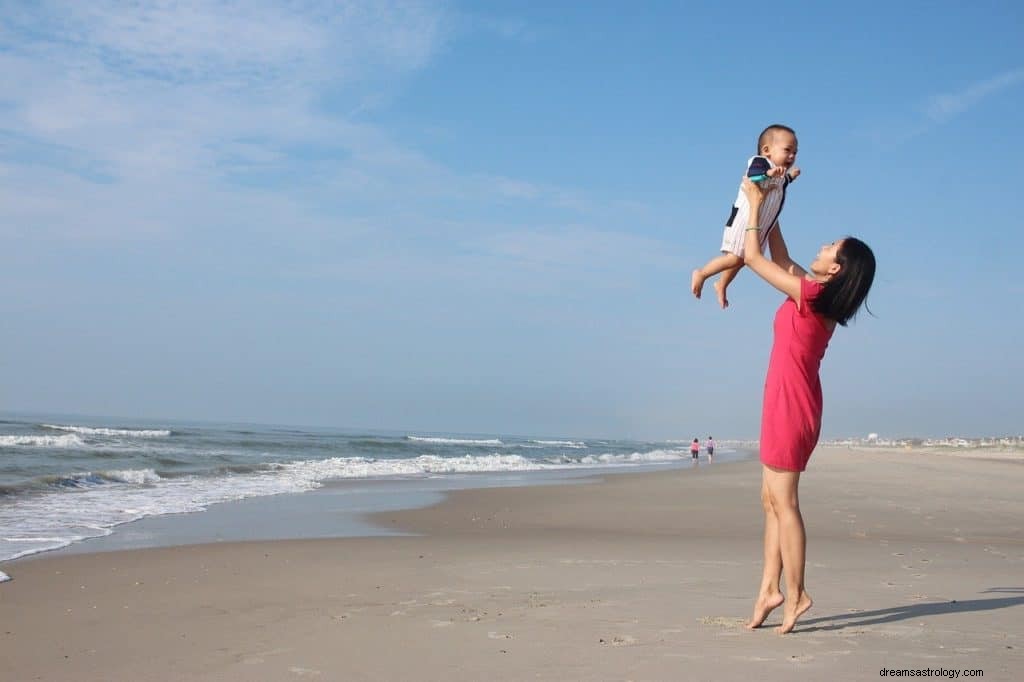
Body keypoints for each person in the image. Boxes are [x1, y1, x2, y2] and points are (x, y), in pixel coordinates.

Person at [738, 175, 876, 635]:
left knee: (785, 502)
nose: (821, 246)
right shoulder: (812, 292)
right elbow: (779, 255)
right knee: (770, 501)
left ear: (835, 268)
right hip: (785, 398)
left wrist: (754, 206)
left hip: (792, 405)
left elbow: (755, 256)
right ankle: (767, 590)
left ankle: (796, 593)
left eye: (830, 246)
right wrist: (776, 195)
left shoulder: (813, 295)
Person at [691, 124, 801, 309]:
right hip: (744, 220)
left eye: (795, 152)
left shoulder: (779, 173)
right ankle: (702, 273)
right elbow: (754, 176)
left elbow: (781, 184)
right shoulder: (760, 163)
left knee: (741, 260)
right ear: (766, 150)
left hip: (760, 225)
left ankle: (722, 284)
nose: (792, 156)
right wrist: (768, 173)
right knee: (734, 258)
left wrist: (790, 177)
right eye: (787, 150)